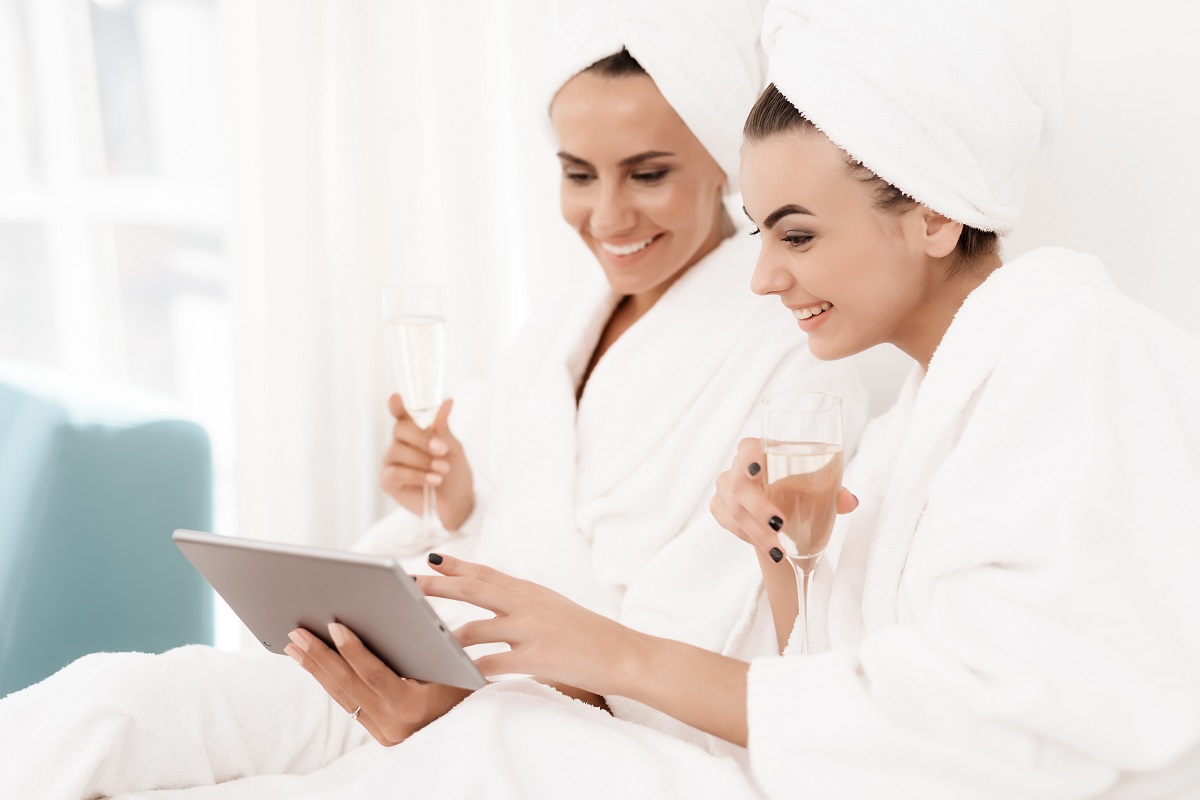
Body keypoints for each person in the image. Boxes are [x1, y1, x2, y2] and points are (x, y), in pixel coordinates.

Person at [293, 0, 1198, 797]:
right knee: (495, 740)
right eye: (763, 233)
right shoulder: (907, 427)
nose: (763, 278)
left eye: (797, 235)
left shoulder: (1076, 349)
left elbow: (1002, 732)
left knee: (498, 744)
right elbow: (838, 696)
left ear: (936, 213)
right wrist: (777, 557)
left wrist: (610, 652)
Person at [0, 2, 867, 797]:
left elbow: (718, 656)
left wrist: (469, 699)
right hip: (434, 655)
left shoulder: (790, 353)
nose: (607, 217)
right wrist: (454, 496)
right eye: (577, 174)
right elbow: (493, 522)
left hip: (555, 721)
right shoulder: (564, 325)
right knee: (116, 702)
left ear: (722, 155)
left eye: (647, 174)